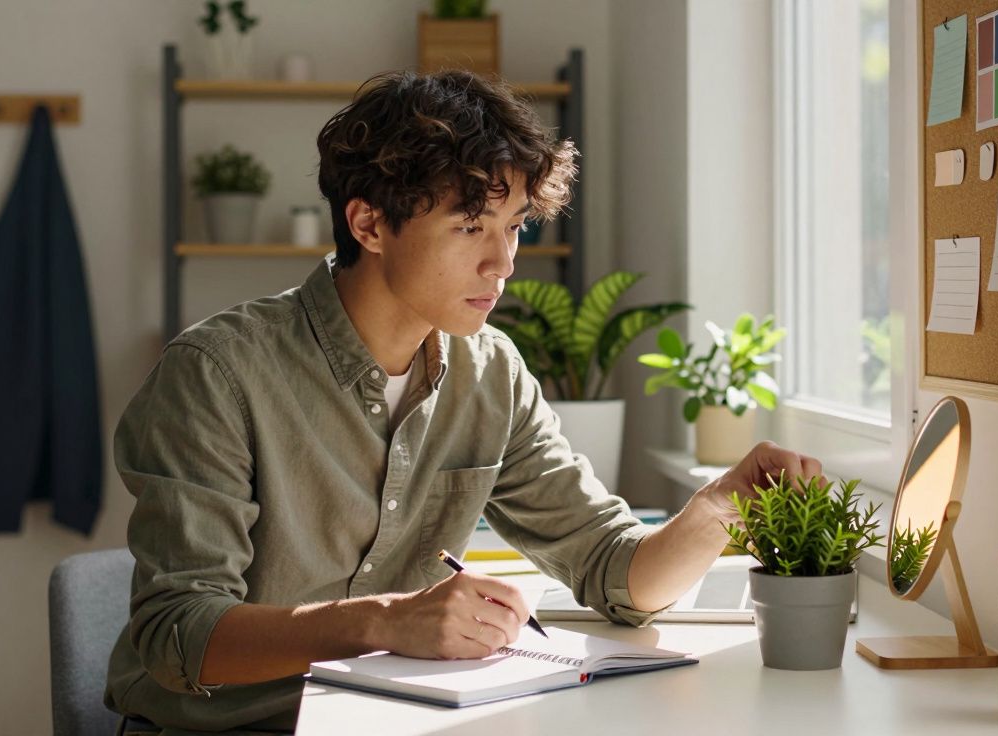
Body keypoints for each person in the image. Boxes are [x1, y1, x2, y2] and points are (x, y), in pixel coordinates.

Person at [104, 69, 823, 734]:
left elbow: (612, 568)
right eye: (470, 226)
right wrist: (386, 620)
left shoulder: (491, 374)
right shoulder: (217, 374)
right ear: (369, 225)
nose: (504, 263)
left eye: (513, 227)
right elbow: (179, 637)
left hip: (388, 720)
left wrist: (715, 509)